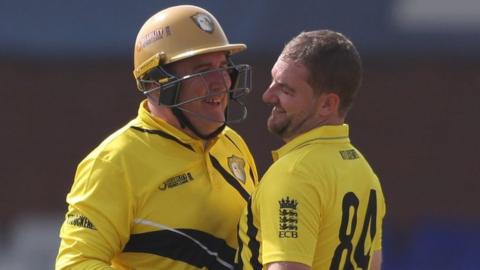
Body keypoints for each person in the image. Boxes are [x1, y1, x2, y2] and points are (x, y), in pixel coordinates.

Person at [56, 5, 258, 270]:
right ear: (155, 83)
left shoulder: (233, 143)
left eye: (223, 66)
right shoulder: (114, 162)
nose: (222, 81)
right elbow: (75, 264)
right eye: (203, 70)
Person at [236, 30, 386, 270]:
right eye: (273, 80)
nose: (267, 95)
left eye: (286, 90)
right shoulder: (365, 173)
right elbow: (374, 264)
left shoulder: (293, 174)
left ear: (327, 104)